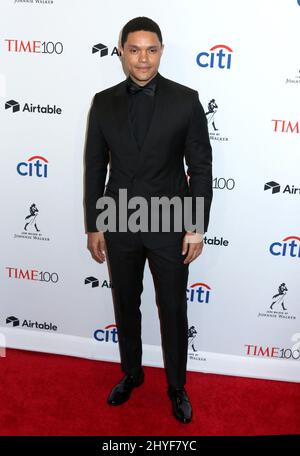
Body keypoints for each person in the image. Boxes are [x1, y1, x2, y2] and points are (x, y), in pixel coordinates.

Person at [84, 16, 213, 424]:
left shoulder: (186, 99)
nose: (143, 59)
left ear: (161, 50)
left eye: (151, 49)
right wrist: (94, 224)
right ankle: (132, 373)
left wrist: (195, 225)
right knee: (126, 304)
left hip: (170, 221)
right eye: (135, 49)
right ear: (121, 50)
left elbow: (201, 168)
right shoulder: (102, 102)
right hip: (118, 220)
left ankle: (177, 386)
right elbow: (94, 168)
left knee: (173, 308)